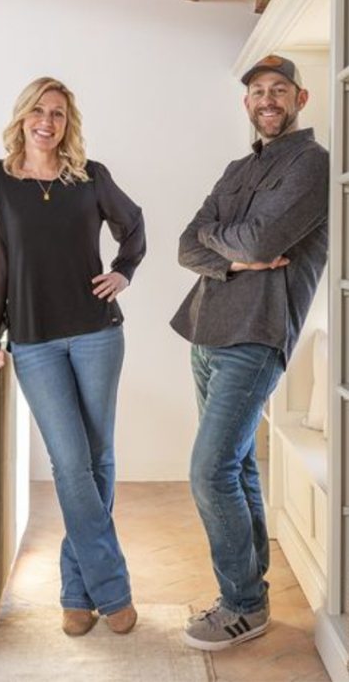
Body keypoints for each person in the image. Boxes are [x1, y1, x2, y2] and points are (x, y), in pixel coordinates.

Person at [0, 77, 146, 637]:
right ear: (23, 117)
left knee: (98, 460)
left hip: (97, 333)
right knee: (70, 463)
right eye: (39, 111)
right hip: (36, 339)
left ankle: (75, 592)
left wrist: (124, 270)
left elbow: (134, 225)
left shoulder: (90, 177)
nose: (48, 122)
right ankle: (112, 590)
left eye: (60, 114)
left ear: (68, 124)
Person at [171, 54, 328, 651]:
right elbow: (188, 244)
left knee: (208, 471)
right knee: (235, 466)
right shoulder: (240, 166)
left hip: (257, 337)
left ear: (299, 99)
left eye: (279, 90)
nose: (268, 99)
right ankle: (252, 593)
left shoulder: (312, 164)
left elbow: (264, 236)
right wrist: (236, 254)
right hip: (207, 331)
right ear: (247, 103)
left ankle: (241, 604)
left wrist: (231, 242)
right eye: (258, 91)